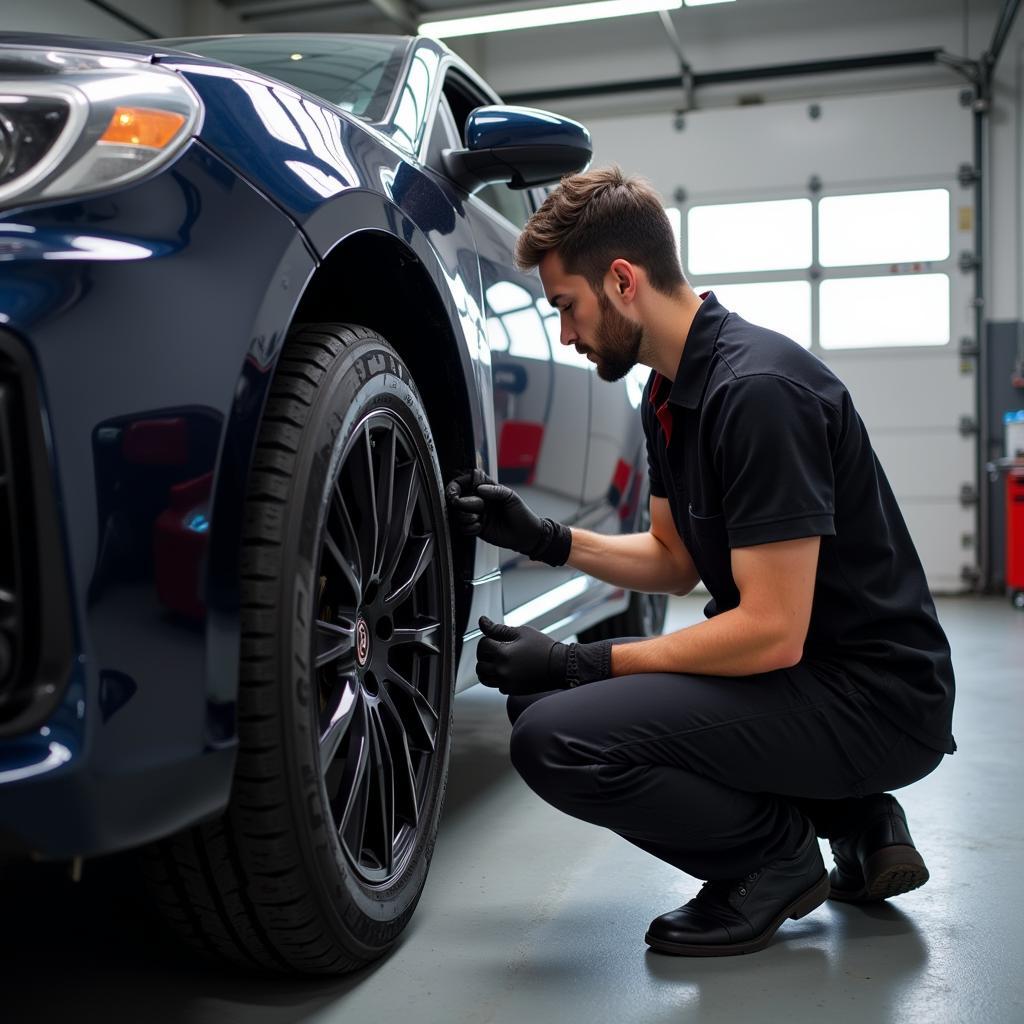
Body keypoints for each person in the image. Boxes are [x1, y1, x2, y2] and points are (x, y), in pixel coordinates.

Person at [445, 166, 956, 958]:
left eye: (566, 307)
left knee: (557, 737)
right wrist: (543, 537)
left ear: (621, 280)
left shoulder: (757, 393)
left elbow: (771, 632)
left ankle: (774, 858)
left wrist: (581, 661)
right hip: (806, 681)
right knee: (544, 710)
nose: (566, 335)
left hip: (872, 699)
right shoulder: (668, 393)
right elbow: (674, 559)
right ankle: (853, 815)